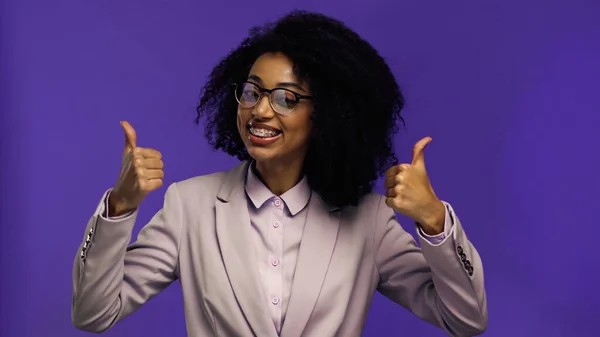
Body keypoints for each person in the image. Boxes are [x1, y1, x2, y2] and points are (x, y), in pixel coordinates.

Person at [71, 10, 487, 337]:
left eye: (286, 98)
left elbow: (465, 320)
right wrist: (120, 207)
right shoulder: (190, 206)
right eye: (252, 91)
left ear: (327, 113)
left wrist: (434, 221)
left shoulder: (369, 221)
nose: (261, 110)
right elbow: (94, 314)